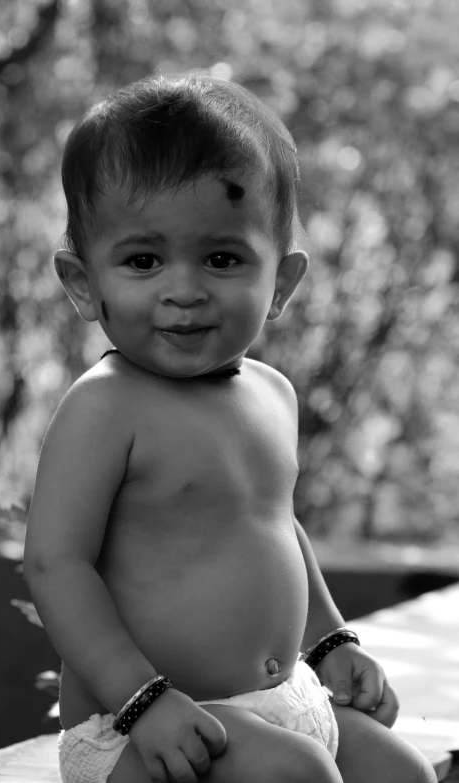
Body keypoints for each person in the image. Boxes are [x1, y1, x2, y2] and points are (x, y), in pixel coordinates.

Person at [23, 73, 437, 783]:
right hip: (145, 727)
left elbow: (273, 526)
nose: (183, 289)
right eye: (144, 260)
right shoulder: (106, 406)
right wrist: (142, 700)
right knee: (296, 775)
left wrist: (330, 639)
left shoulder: (271, 393)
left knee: (403, 772)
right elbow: (56, 565)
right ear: (84, 282)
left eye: (221, 258)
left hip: (281, 703)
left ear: (280, 282)